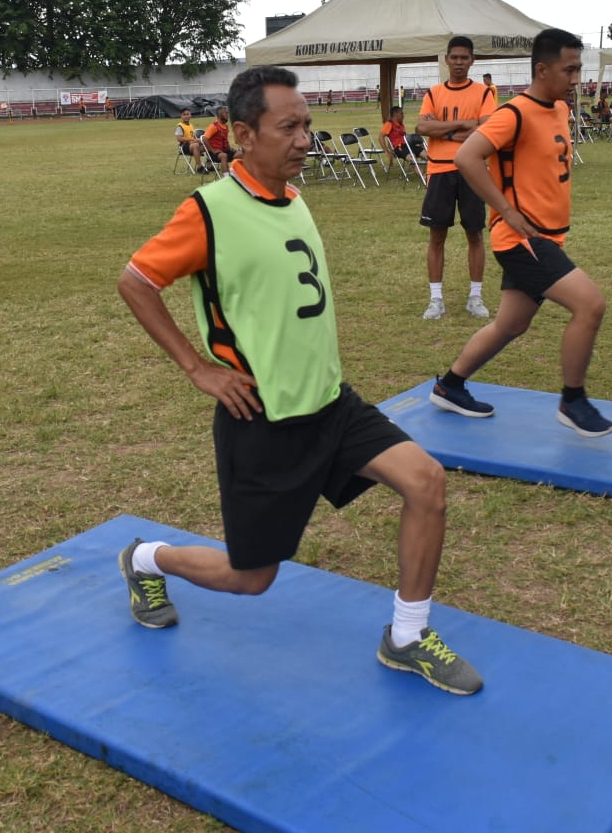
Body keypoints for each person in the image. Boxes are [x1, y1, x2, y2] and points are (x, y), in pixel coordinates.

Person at [115, 65, 482, 696]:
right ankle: (146, 559)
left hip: (332, 407)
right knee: (251, 578)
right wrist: (199, 368)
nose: (305, 138)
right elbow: (136, 281)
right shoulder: (208, 211)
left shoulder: (293, 196)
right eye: (289, 127)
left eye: (308, 125)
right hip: (264, 421)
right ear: (241, 134)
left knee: (426, 481)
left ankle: (406, 636)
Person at [427, 29, 612, 437]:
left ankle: (450, 385)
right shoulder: (514, 113)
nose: (576, 78)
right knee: (590, 305)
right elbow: (466, 156)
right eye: (569, 69)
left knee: (510, 325)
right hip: (524, 241)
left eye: (579, 69)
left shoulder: (559, 109)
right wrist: (507, 211)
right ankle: (573, 401)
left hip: (547, 237)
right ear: (542, 69)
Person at [417, 36, 496, 320]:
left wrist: (443, 131)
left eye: (465, 58)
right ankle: (436, 300)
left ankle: (475, 296)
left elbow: (486, 130)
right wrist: (463, 125)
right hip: (439, 170)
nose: (459, 62)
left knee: (474, 233)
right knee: (436, 236)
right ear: (447, 59)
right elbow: (422, 126)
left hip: (472, 170)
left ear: (472, 60)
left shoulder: (485, 93)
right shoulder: (434, 92)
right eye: (455, 57)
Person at [174, 107, 206, 173]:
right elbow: (179, 138)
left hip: (192, 145)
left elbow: (193, 136)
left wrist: (199, 140)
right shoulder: (180, 126)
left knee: (207, 144)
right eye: (184, 114)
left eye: (188, 114)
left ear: (190, 115)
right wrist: (191, 139)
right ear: (181, 116)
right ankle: (200, 167)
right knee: (195, 145)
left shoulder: (191, 125)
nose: (186, 116)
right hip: (184, 146)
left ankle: (209, 165)